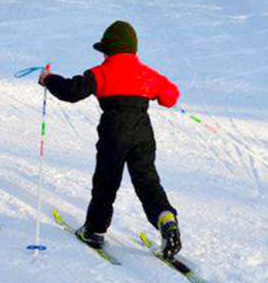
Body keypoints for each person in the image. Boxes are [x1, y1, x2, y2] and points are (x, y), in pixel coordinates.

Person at [38, 20, 182, 259]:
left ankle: (94, 230)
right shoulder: (147, 73)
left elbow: (71, 92)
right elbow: (170, 97)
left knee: (106, 181)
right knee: (147, 180)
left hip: (114, 131)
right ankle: (166, 219)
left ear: (108, 50)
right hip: (142, 131)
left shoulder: (101, 72)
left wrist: (48, 79)